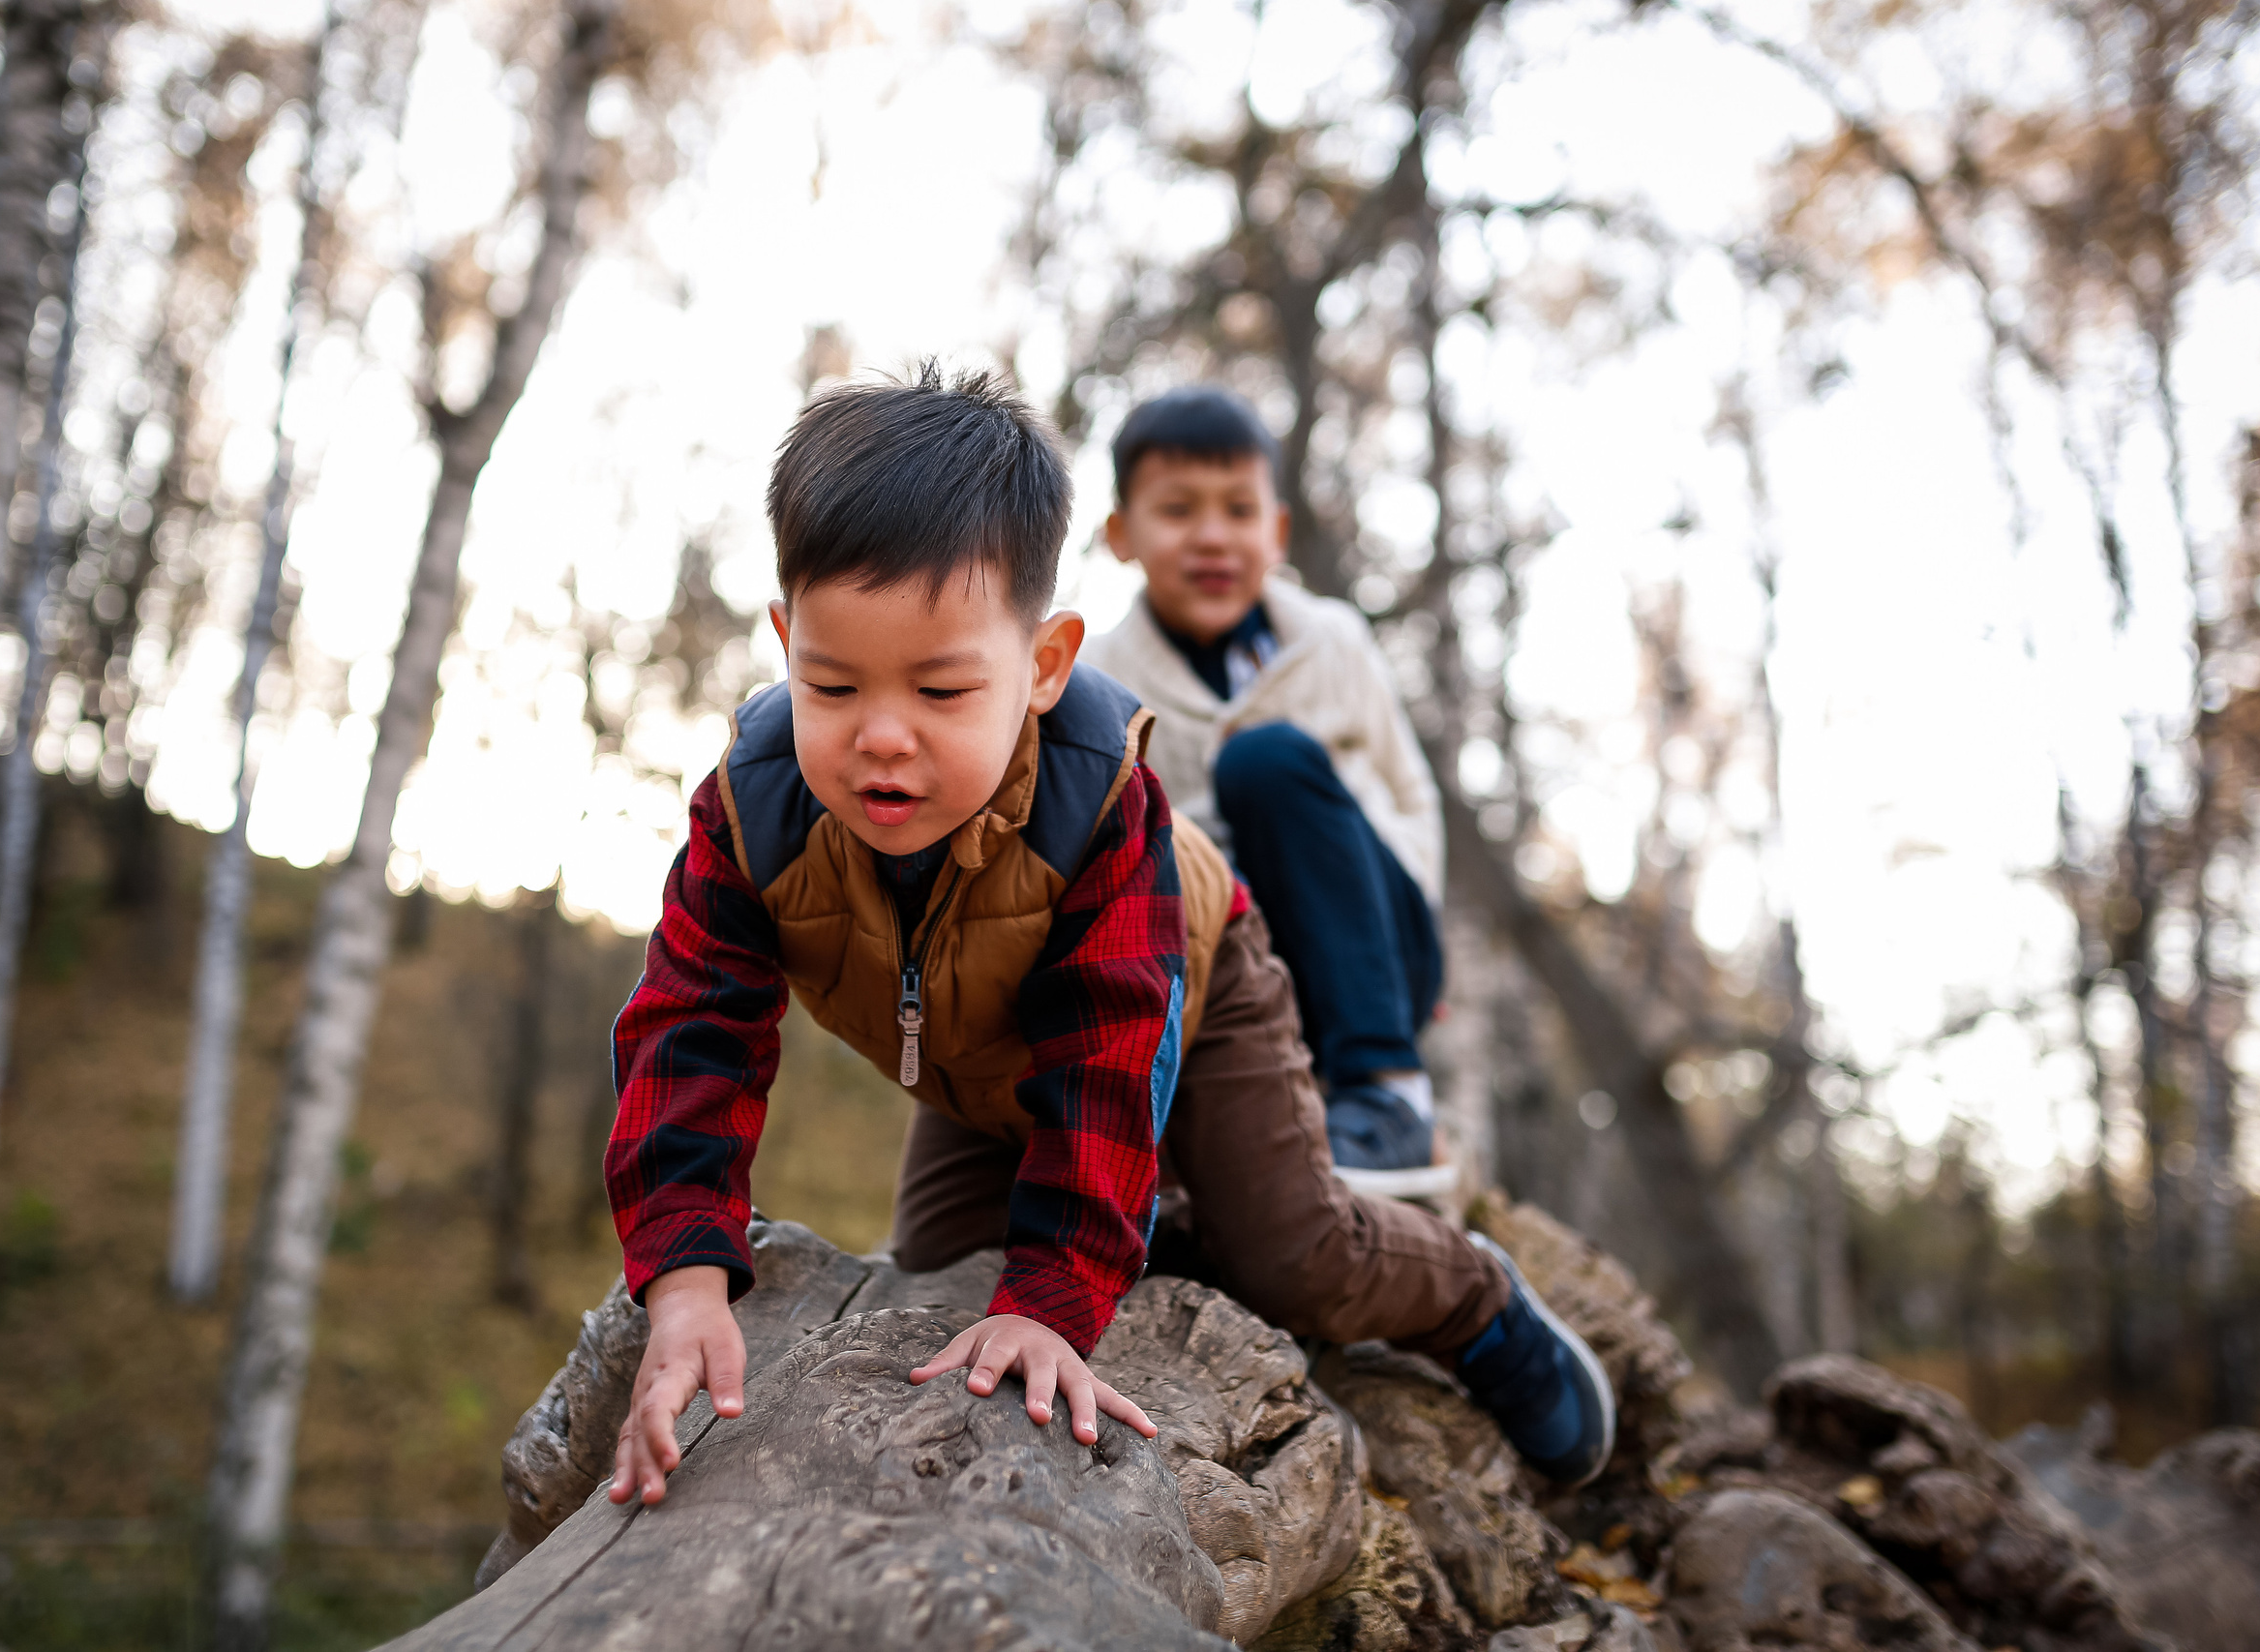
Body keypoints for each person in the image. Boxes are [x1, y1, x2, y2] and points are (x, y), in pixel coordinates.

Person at [600, 364, 1613, 1515]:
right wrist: (683, 1272)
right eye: (832, 686)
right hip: (979, 1060)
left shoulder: (1096, 801)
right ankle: (1158, 1221)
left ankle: (1480, 1304)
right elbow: (692, 1029)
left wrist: (1054, 1296)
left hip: (1191, 993)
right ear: (786, 644)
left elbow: (1111, 1049)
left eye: (940, 692)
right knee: (935, 1281)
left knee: (1290, 1256)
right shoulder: (751, 806)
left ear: (1042, 667)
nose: (882, 738)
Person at [1081, 386, 1452, 1196]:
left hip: (1372, 945)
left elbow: (1410, 794)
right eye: (1178, 510)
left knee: (1268, 759)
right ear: (1121, 535)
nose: (1212, 536)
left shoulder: (1333, 642)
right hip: (1229, 953)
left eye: (1239, 510)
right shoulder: (1102, 677)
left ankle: (1389, 1092)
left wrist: (1411, 923)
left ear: (1276, 531)